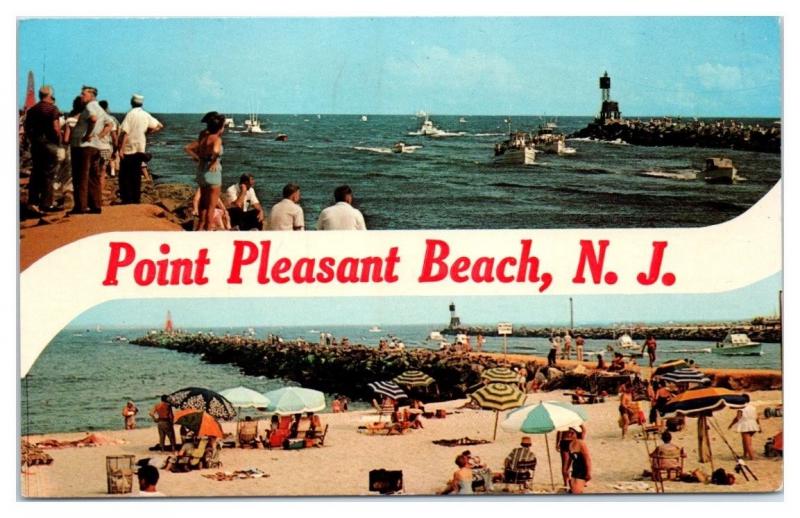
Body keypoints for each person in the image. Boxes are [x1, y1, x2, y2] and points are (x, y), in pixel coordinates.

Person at [73, 85, 113, 214]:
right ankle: (96, 205)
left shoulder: (90, 106)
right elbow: (109, 124)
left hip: (83, 146)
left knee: (81, 177)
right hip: (95, 146)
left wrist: (87, 134)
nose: (81, 95)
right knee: (93, 177)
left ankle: (81, 207)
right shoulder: (100, 108)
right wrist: (99, 136)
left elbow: (93, 119)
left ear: (92, 95)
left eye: (84, 93)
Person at [117, 94, 162, 204]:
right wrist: (147, 132)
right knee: (136, 174)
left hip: (129, 147)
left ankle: (127, 198)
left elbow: (125, 132)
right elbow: (159, 125)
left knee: (125, 175)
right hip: (140, 146)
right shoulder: (145, 114)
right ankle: (136, 198)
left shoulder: (130, 114)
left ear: (132, 102)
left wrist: (121, 149)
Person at [23, 85, 62, 214]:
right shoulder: (52, 109)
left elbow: (27, 128)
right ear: (50, 95)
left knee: (36, 172)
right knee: (49, 174)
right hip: (49, 144)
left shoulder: (32, 110)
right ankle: (47, 203)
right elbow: (56, 128)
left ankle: (33, 201)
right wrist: (59, 142)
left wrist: (32, 140)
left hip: (36, 144)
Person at [185, 112, 225, 230]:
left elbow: (187, 148)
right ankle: (208, 230)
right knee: (211, 207)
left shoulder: (203, 136)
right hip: (213, 174)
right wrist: (214, 160)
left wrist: (197, 158)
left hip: (201, 171)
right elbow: (216, 150)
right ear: (220, 128)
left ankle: (199, 228)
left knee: (203, 204)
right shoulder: (217, 139)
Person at [566, 427, 592, 494]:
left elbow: (587, 459)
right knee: (574, 490)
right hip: (575, 469)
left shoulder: (581, 443)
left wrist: (588, 472)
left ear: (577, 433)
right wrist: (567, 469)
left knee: (576, 491)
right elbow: (570, 458)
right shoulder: (570, 444)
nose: (570, 435)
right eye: (569, 433)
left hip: (582, 470)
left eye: (572, 433)